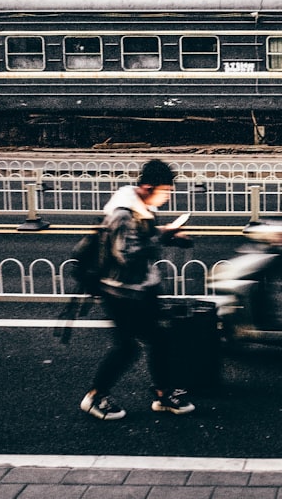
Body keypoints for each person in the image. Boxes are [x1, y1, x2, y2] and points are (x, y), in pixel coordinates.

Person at [79, 158, 194, 421]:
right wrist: (164, 236)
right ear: (147, 187)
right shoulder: (123, 213)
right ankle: (95, 397)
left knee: (160, 340)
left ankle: (164, 394)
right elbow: (126, 255)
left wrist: (168, 234)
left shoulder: (140, 208)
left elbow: (142, 240)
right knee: (127, 347)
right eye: (164, 192)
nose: (166, 198)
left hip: (141, 289)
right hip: (120, 293)